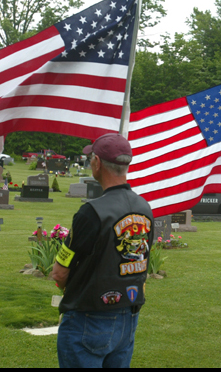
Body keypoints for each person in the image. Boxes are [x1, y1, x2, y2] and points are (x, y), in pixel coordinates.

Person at [52, 133, 154, 368]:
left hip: (89, 317)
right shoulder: (144, 207)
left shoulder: (92, 212)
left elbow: (60, 272)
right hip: (128, 315)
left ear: (97, 162)